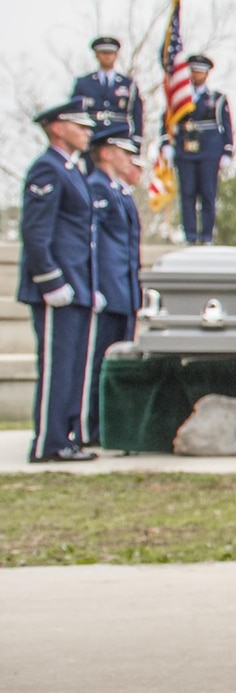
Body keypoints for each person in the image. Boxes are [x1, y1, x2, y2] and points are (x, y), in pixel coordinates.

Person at [16, 97, 100, 463]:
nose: (87, 133)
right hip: (56, 287)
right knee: (56, 367)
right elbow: (36, 233)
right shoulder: (47, 169)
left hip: (76, 286)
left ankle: (64, 437)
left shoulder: (71, 170)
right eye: (79, 126)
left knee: (72, 367)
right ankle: (48, 443)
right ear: (57, 128)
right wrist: (50, 281)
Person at [80, 120, 145, 449]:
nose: (129, 158)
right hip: (105, 291)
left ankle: (108, 426)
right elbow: (92, 246)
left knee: (116, 365)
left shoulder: (119, 192)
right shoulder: (94, 188)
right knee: (97, 366)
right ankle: (90, 427)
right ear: (105, 153)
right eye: (124, 151)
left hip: (124, 293)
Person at [170, 54, 234, 245]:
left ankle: (206, 235)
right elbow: (168, 121)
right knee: (187, 192)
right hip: (185, 150)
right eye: (194, 71)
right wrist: (166, 143)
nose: (196, 75)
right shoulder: (180, 97)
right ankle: (189, 234)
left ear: (206, 74)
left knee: (208, 193)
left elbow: (226, 126)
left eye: (200, 71)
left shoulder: (217, 98)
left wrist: (228, 150)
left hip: (209, 150)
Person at [72, 36, 143, 131]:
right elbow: (75, 112)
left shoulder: (128, 84)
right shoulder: (84, 83)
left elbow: (136, 113)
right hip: (92, 134)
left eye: (110, 53)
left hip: (119, 134)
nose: (107, 56)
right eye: (103, 53)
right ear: (96, 55)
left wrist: (137, 138)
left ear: (116, 55)